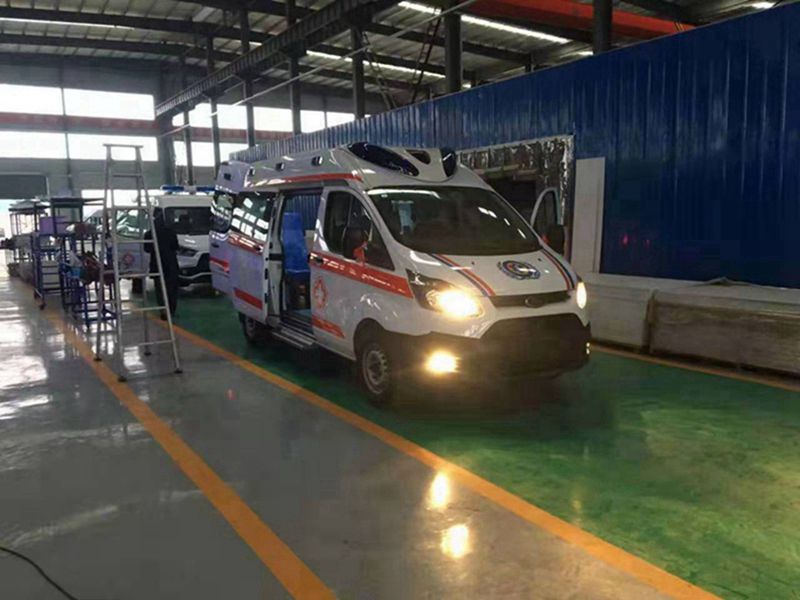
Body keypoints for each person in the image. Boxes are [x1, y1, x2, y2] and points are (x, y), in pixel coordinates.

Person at [144, 208, 179, 320]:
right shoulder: (171, 232)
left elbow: (146, 249)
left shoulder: (149, 234)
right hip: (171, 264)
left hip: (157, 264)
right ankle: (172, 310)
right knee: (171, 288)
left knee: (160, 289)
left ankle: (163, 311)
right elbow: (175, 246)